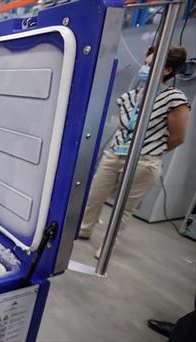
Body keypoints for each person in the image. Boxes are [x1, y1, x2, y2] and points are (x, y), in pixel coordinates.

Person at [78, 46, 190, 258]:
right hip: (113, 155)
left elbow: (178, 137)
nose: (144, 68)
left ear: (166, 70)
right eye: (145, 63)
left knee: (124, 208)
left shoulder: (174, 98)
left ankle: (108, 244)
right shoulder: (131, 95)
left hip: (143, 161)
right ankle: (84, 229)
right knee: (95, 195)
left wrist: (150, 151)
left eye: (150, 65)